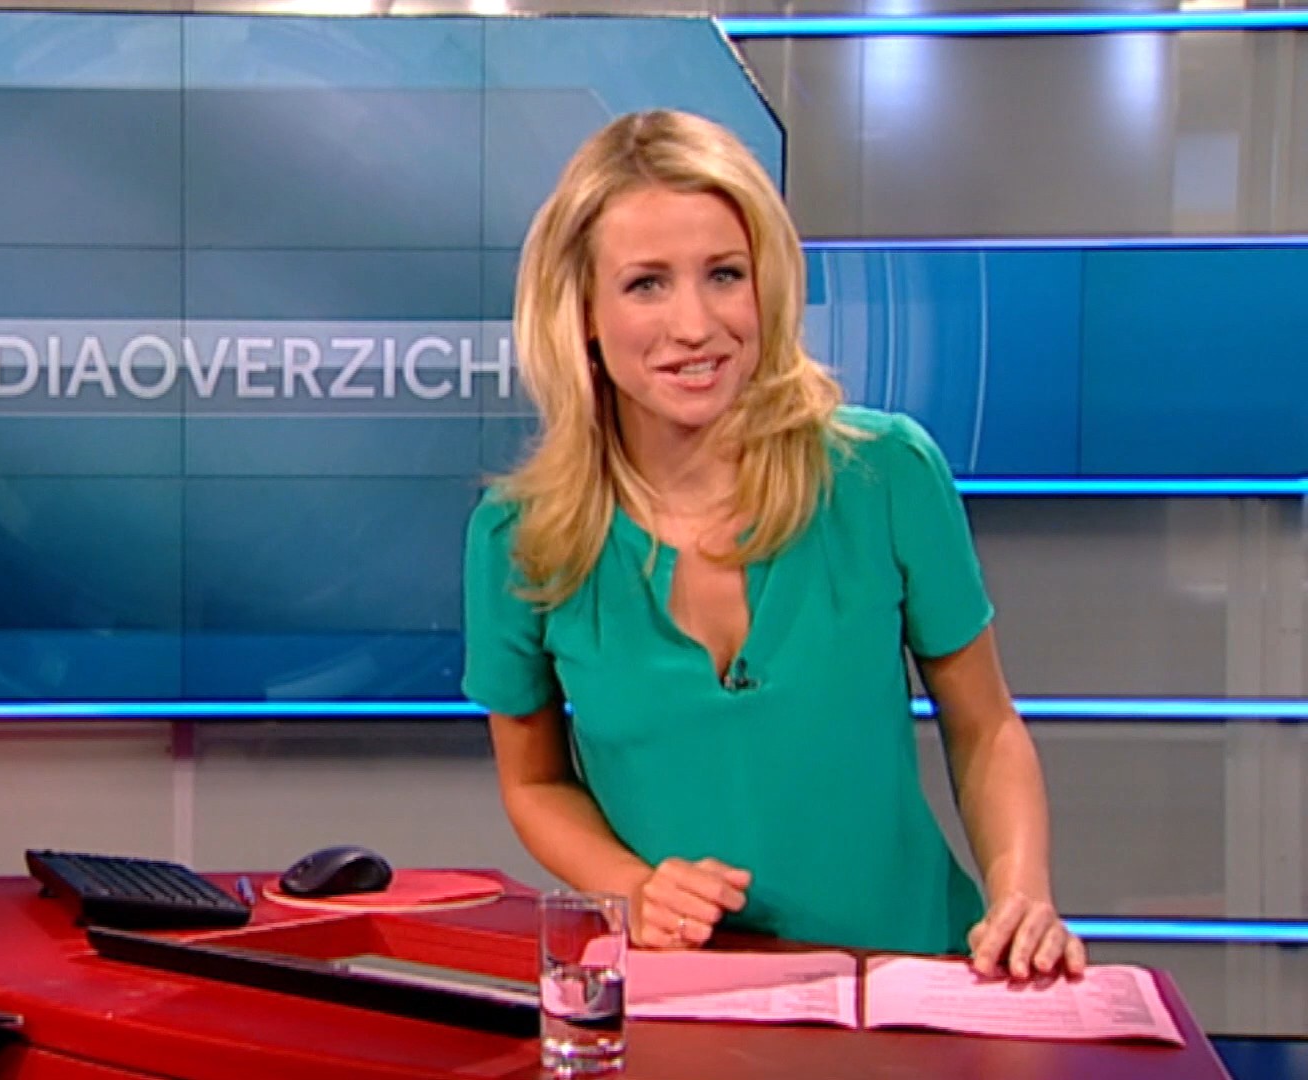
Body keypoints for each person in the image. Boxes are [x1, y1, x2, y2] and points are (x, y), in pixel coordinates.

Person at [463, 109, 1085, 980]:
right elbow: (534, 783)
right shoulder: (521, 537)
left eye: (725, 274)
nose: (694, 325)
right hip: (688, 995)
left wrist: (1021, 893)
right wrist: (635, 890)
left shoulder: (884, 475)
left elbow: (985, 728)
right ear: (585, 314)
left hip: (906, 982)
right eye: (647, 285)